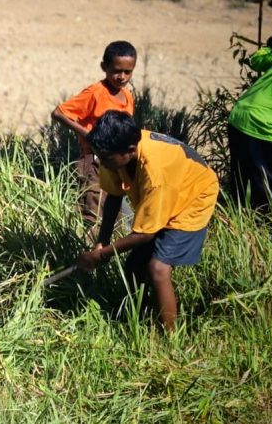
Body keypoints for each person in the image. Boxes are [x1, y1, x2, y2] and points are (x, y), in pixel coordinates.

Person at [76, 111, 218, 331]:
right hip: (166, 191)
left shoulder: (155, 173)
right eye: (99, 156)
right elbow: (114, 196)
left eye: (104, 159)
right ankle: (135, 317)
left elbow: (145, 234)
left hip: (192, 196)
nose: (100, 162)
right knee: (134, 264)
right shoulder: (112, 154)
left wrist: (102, 255)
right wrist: (101, 243)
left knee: (158, 268)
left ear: (130, 151)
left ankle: (169, 337)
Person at [52, 41, 137, 238]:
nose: (122, 77)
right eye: (117, 71)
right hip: (95, 161)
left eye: (127, 72)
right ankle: (85, 259)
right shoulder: (95, 93)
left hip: (117, 165)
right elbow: (59, 113)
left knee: (124, 218)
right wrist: (90, 136)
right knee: (93, 215)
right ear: (104, 67)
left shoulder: (126, 95)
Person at [227, 32, 272, 217]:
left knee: (245, 181)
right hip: (263, 126)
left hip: (238, 116)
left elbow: (256, 60)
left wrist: (268, 47)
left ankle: (243, 225)